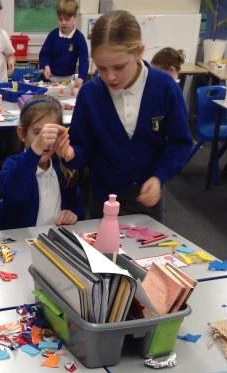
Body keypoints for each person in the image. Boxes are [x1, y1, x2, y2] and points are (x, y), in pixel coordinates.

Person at [68, 10, 192, 221]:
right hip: (104, 200)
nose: (110, 77)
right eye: (101, 68)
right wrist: (70, 154)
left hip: (148, 200)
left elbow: (180, 143)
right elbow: (82, 148)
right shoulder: (90, 94)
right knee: (104, 243)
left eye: (119, 67)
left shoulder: (165, 87)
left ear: (139, 52)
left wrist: (159, 177)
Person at [0, 96, 85, 228]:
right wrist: (34, 152)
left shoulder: (62, 169)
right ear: (22, 134)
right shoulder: (13, 164)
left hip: (56, 237)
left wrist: (73, 214)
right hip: (23, 239)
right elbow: (14, 193)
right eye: (38, 133)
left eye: (51, 134)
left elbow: (78, 208)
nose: (44, 141)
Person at [39, 0, 89, 83]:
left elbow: (84, 61)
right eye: (60, 19)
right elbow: (44, 54)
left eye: (67, 19)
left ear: (74, 17)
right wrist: (46, 66)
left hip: (69, 79)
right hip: (51, 78)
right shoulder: (53, 35)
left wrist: (81, 77)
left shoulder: (79, 38)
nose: (63, 23)